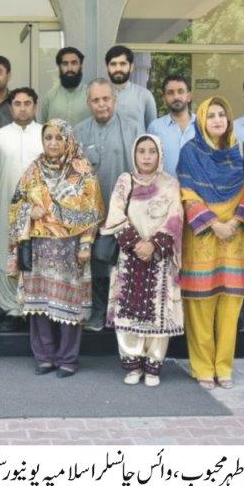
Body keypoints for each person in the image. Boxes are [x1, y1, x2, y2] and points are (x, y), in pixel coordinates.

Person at [8, 119, 103, 377]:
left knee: (69, 306)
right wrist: (29, 210)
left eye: (58, 138)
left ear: (68, 140)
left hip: (70, 249)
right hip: (39, 248)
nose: (52, 143)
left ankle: (68, 359)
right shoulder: (33, 170)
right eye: (48, 137)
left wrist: (86, 243)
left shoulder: (82, 171)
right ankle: (44, 356)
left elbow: (93, 212)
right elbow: (16, 204)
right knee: (39, 305)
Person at [177, 97, 244, 390]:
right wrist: (214, 224)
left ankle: (224, 367)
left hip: (236, 237)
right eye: (211, 116)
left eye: (222, 114)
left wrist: (234, 222)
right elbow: (186, 192)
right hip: (203, 237)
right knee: (200, 304)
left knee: (229, 306)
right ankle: (202, 367)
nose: (218, 120)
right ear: (200, 121)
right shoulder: (189, 153)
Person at [99, 134, 184, 386]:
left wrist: (153, 245)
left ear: (160, 155)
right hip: (129, 255)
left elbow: (176, 217)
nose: (146, 156)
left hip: (160, 257)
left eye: (151, 151)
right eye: (141, 151)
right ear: (134, 155)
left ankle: (153, 366)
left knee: (158, 312)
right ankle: (133, 366)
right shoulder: (125, 182)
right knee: (128, 314)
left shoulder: (170, 184)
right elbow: (114, 214)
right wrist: (137, 244)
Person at [75, 79, 143, 332]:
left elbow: (142, 169)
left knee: (126, 264)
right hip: (91, 214)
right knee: (97, 265)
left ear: (114, 101)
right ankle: (98, 312)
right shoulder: (79, 132)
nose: (101, 104)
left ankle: (125, 314)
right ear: (88, 103)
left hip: (127, 211)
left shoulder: (133, 129)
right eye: (96, 100)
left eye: (106, 99)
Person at [0, 88, 44, 333]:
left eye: (27, 103)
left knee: (37, 256)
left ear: (35, 106)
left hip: (40, 211)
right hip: (4, 207)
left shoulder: (45, 134)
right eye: (17, 103)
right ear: (11, 107)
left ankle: (33, 309)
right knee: (4, 255)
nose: (22, 108)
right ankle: (11, 309)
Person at [147, 74, 196, 177]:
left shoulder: (202, 124)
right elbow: (148, 163)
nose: (176, 96)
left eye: (180, 91)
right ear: (164, 99)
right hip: (165, 191)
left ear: (189, 96)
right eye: (170, 93)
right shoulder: (155, 128)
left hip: (198, 191)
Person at [104, 45, 156, 130]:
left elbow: (152, 130)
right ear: (107, 68)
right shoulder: (98, 96)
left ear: (131, 67)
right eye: (113, 64)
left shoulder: (144, 96)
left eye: (123, 64)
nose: (118, 68)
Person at [38, 47, 89, 126]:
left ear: (81, 66)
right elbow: (44, 128)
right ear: (59, 67)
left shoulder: (91, 95)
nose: (69, 68)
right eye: (65, 64)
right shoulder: (50, 97)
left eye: (74, 63)